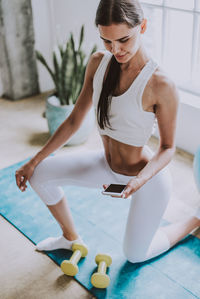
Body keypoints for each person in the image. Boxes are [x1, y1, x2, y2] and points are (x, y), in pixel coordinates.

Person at [15, 0, 200, 263]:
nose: (116, 49)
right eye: (107, 41)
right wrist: (32, 162)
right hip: (107, 167)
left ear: (143, 26)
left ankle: (195, 218)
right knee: (39, 175)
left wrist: (139, 181)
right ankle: (70, 238)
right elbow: (73, 120)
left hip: (147, 181)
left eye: (123, 40)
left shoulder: (161, 83)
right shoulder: (98, 63)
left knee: (135, 255)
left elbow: (168, 148)